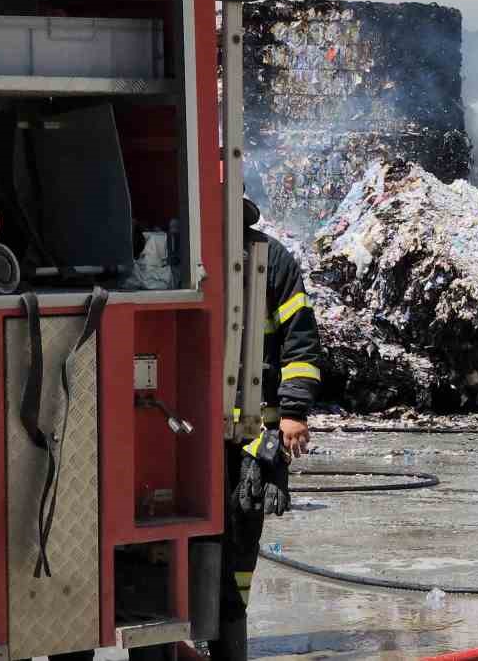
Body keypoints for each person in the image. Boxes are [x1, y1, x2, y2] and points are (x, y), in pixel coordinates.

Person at [210, 198, 327, 661]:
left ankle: (230, 630)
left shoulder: (272, 260)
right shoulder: (190, 259)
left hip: (257, 431)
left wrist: (294, 413)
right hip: (195, 426)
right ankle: (201, 628)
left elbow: (301, 343)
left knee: (241, 534)